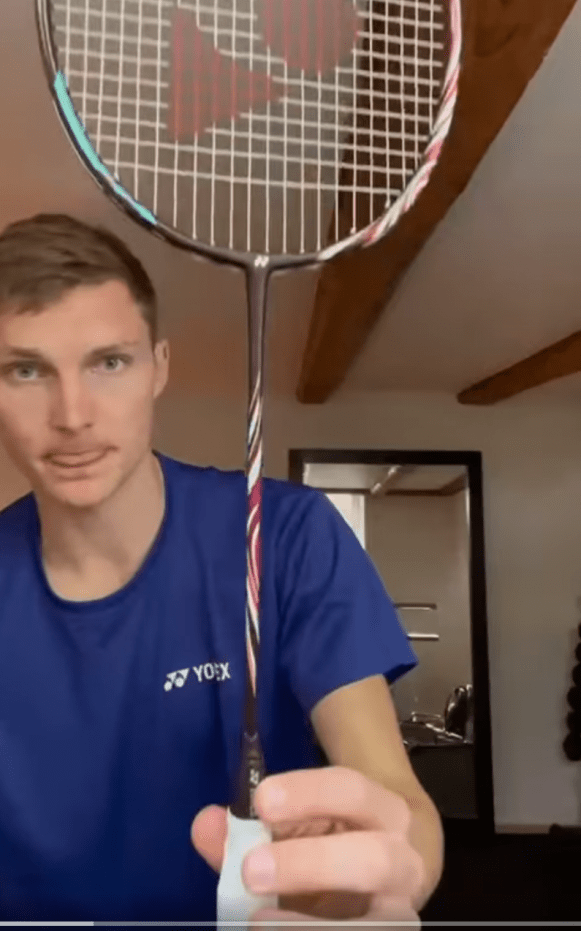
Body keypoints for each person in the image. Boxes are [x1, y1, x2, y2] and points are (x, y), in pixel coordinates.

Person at [0, 213, 443, 924]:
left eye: (109, 362)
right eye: (26, 370)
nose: (72, 414)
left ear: (159, 367)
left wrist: (387, 877)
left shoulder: (291, 537)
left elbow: (396, 798)